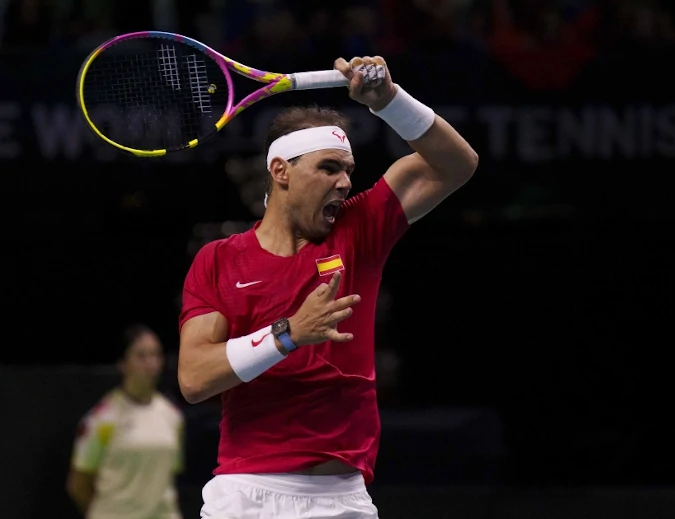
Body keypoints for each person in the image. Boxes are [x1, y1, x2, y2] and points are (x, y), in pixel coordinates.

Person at [178, 55, 478, 518]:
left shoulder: (360, 228)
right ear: (281, 172)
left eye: (348, 169)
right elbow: (195, 378)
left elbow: (457, 164)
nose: (345, 182)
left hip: (342, 498)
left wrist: (389, 101)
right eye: (329, 168)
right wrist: (289, 334)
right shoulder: (218, 259)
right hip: (246, 495)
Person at [66, 324, 184, 519]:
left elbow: (170, 476)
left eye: (155, 355)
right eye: (141, 356)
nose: (150, 363)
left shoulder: (172, 416)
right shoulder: (101, 419)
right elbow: (78, 484)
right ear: (123, 363)